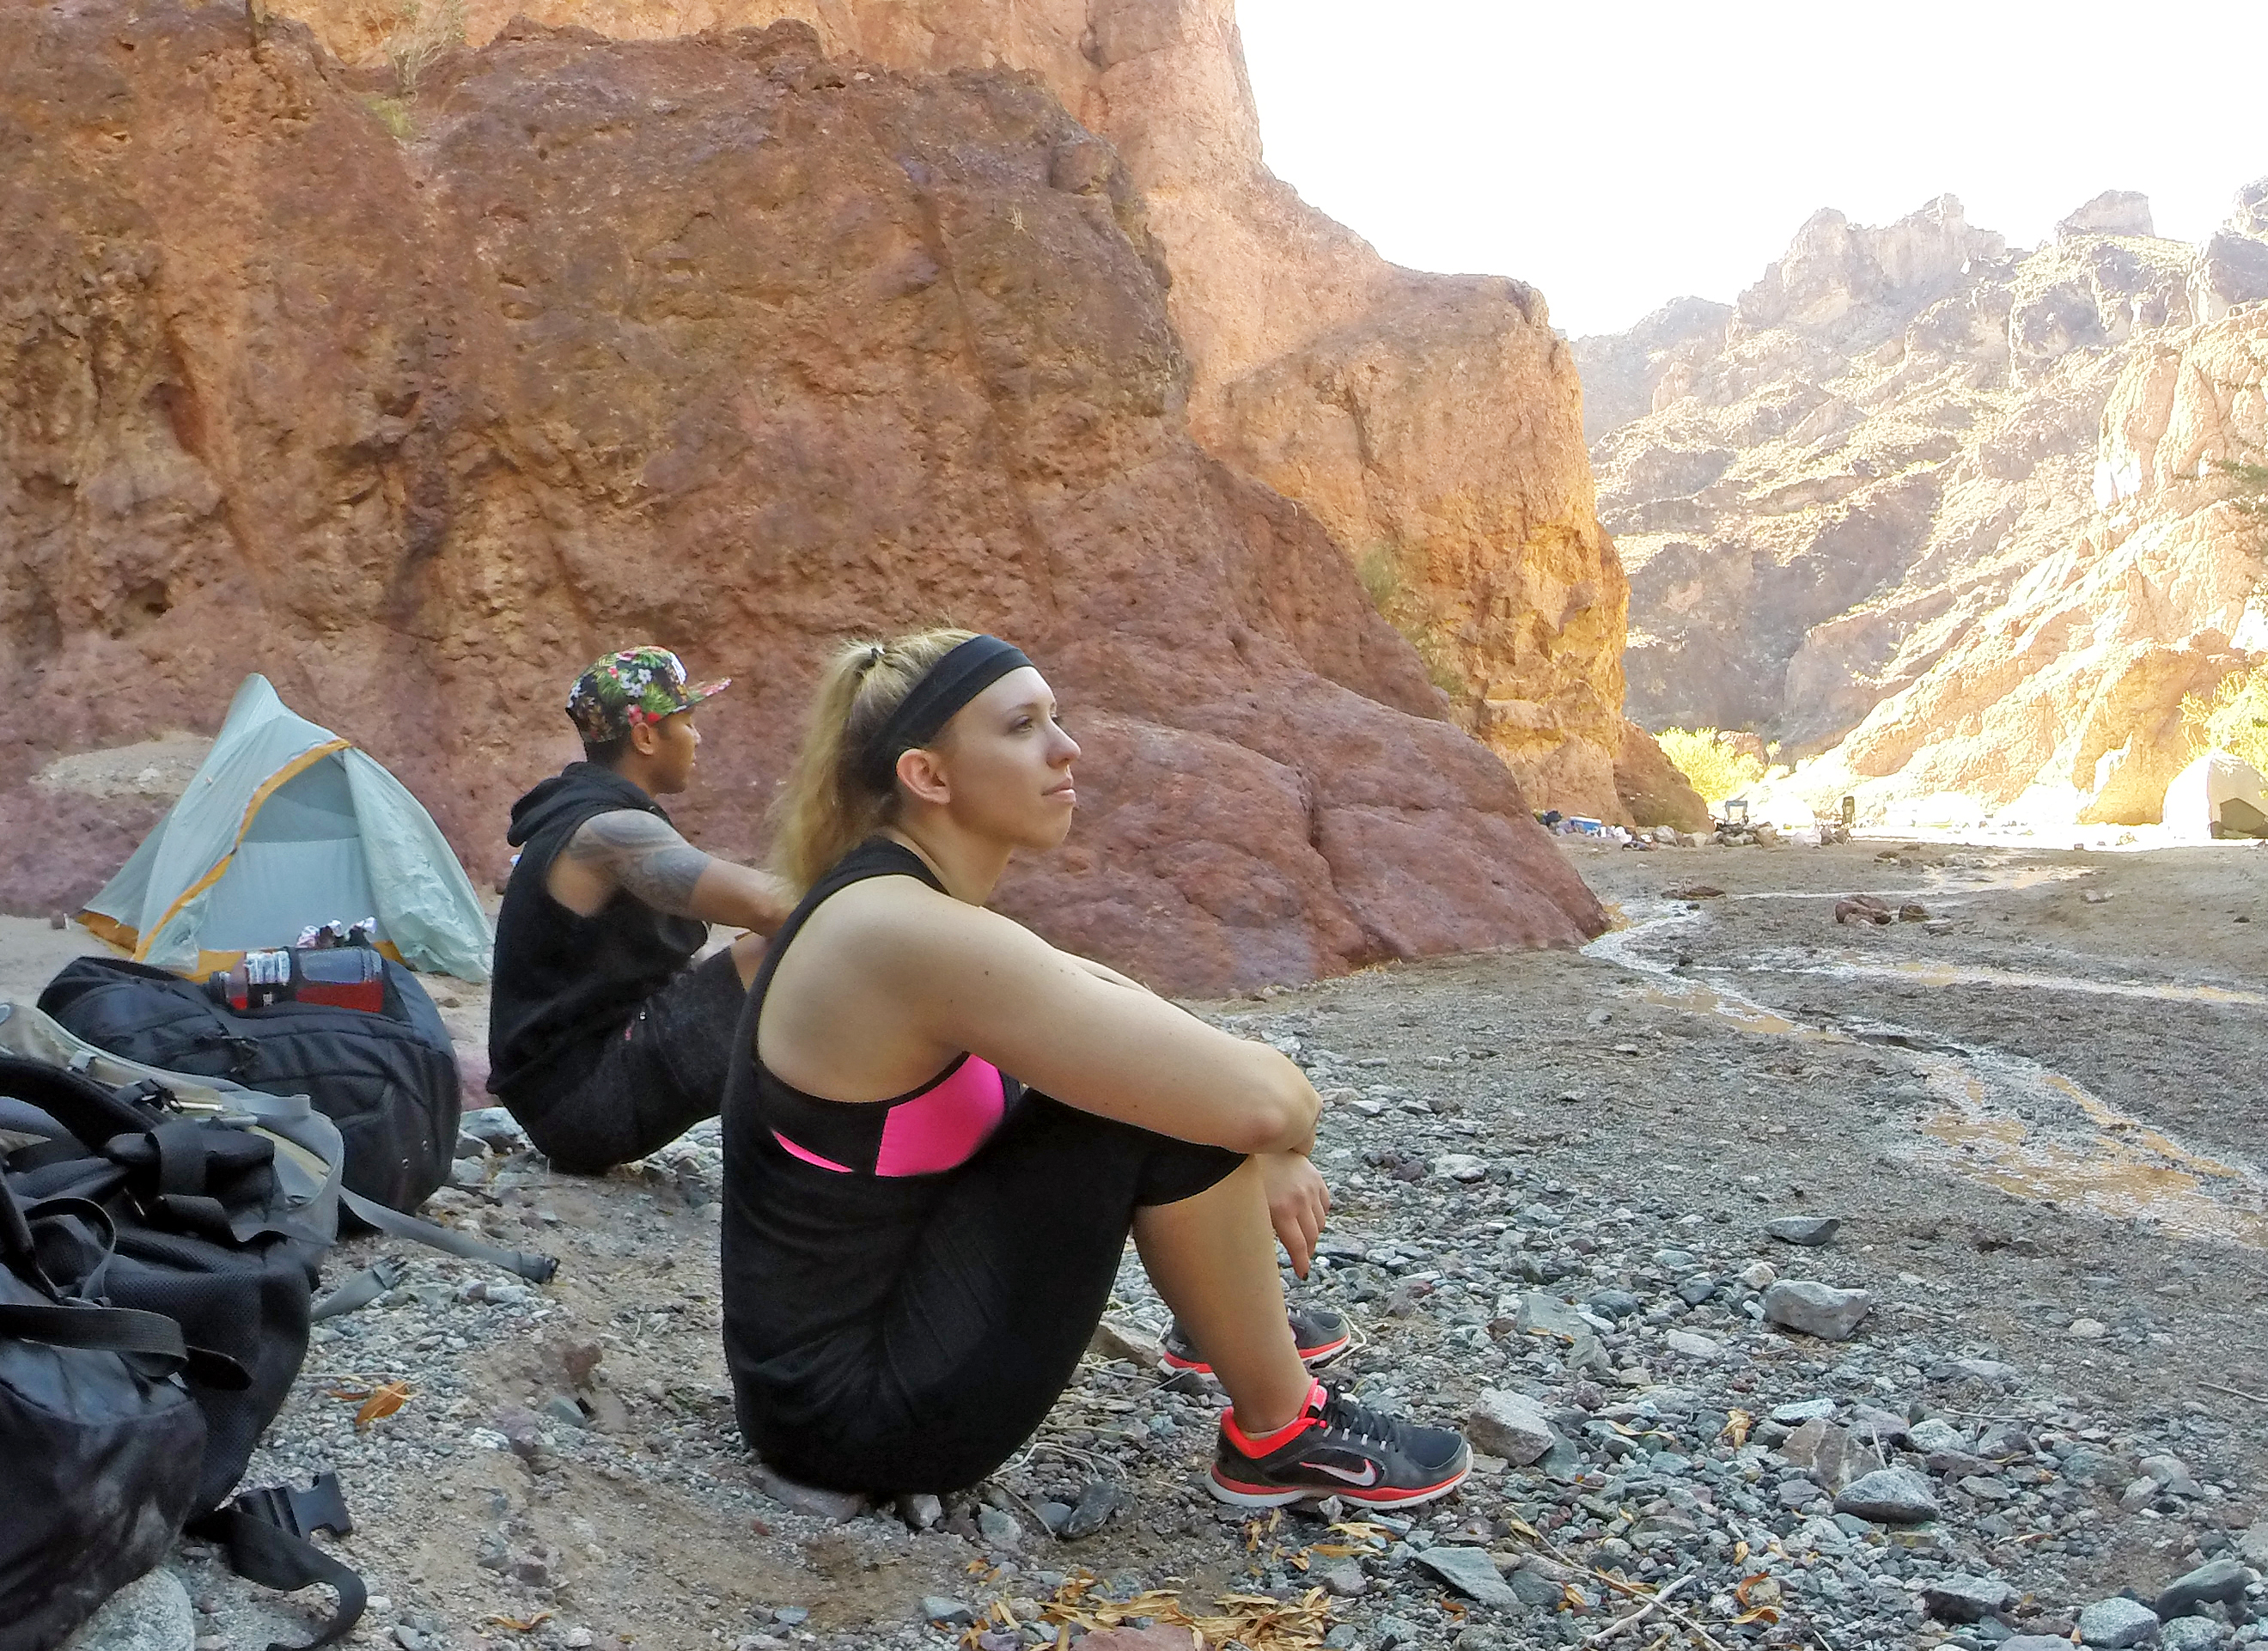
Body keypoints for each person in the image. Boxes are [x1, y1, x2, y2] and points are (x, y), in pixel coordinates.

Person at [720, 629, 1472, 1505]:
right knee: (1153, 1107)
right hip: (855, 1418)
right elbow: (1265, 1097)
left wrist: (1250, 1122)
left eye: (1058, 717)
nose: (1067, 745)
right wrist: (1273, 1138)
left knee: (1159, 1085)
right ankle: (1281, 1427)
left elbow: (1126, 1007)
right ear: (929, 775)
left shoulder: (900, 899)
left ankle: (1225, 1316)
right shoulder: (900, 930)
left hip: (839, 1369)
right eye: (1023, 725)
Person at [488, 647, 794, 1173]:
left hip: (568, 1099)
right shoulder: (610, 832)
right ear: (647, 737)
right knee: (789, 952)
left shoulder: (589, 815)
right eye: (688, 722)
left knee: (764, 950)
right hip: (584, 1107)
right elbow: (772, 907)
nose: (698, 738)